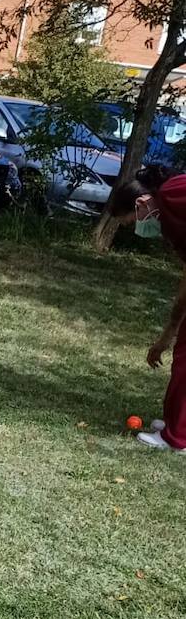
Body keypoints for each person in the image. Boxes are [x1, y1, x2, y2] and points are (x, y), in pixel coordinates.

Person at [110, 163, 186, 454]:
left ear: (142, 203)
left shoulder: (172, 193)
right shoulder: (172, 224)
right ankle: (175, 425)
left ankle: (177, 440)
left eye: (131, 221)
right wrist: (169, 332)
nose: (137, 228)